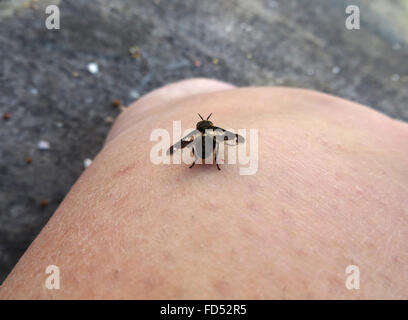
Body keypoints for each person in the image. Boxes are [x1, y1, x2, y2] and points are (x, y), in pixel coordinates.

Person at [1, 78, 407, 299]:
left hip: (205, 149)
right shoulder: (216, 133)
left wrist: (192, 146)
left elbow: (196, 142)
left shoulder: (202, 132)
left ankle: (192, 106)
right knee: (187, 97)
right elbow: (224, 140)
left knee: (180, 95)